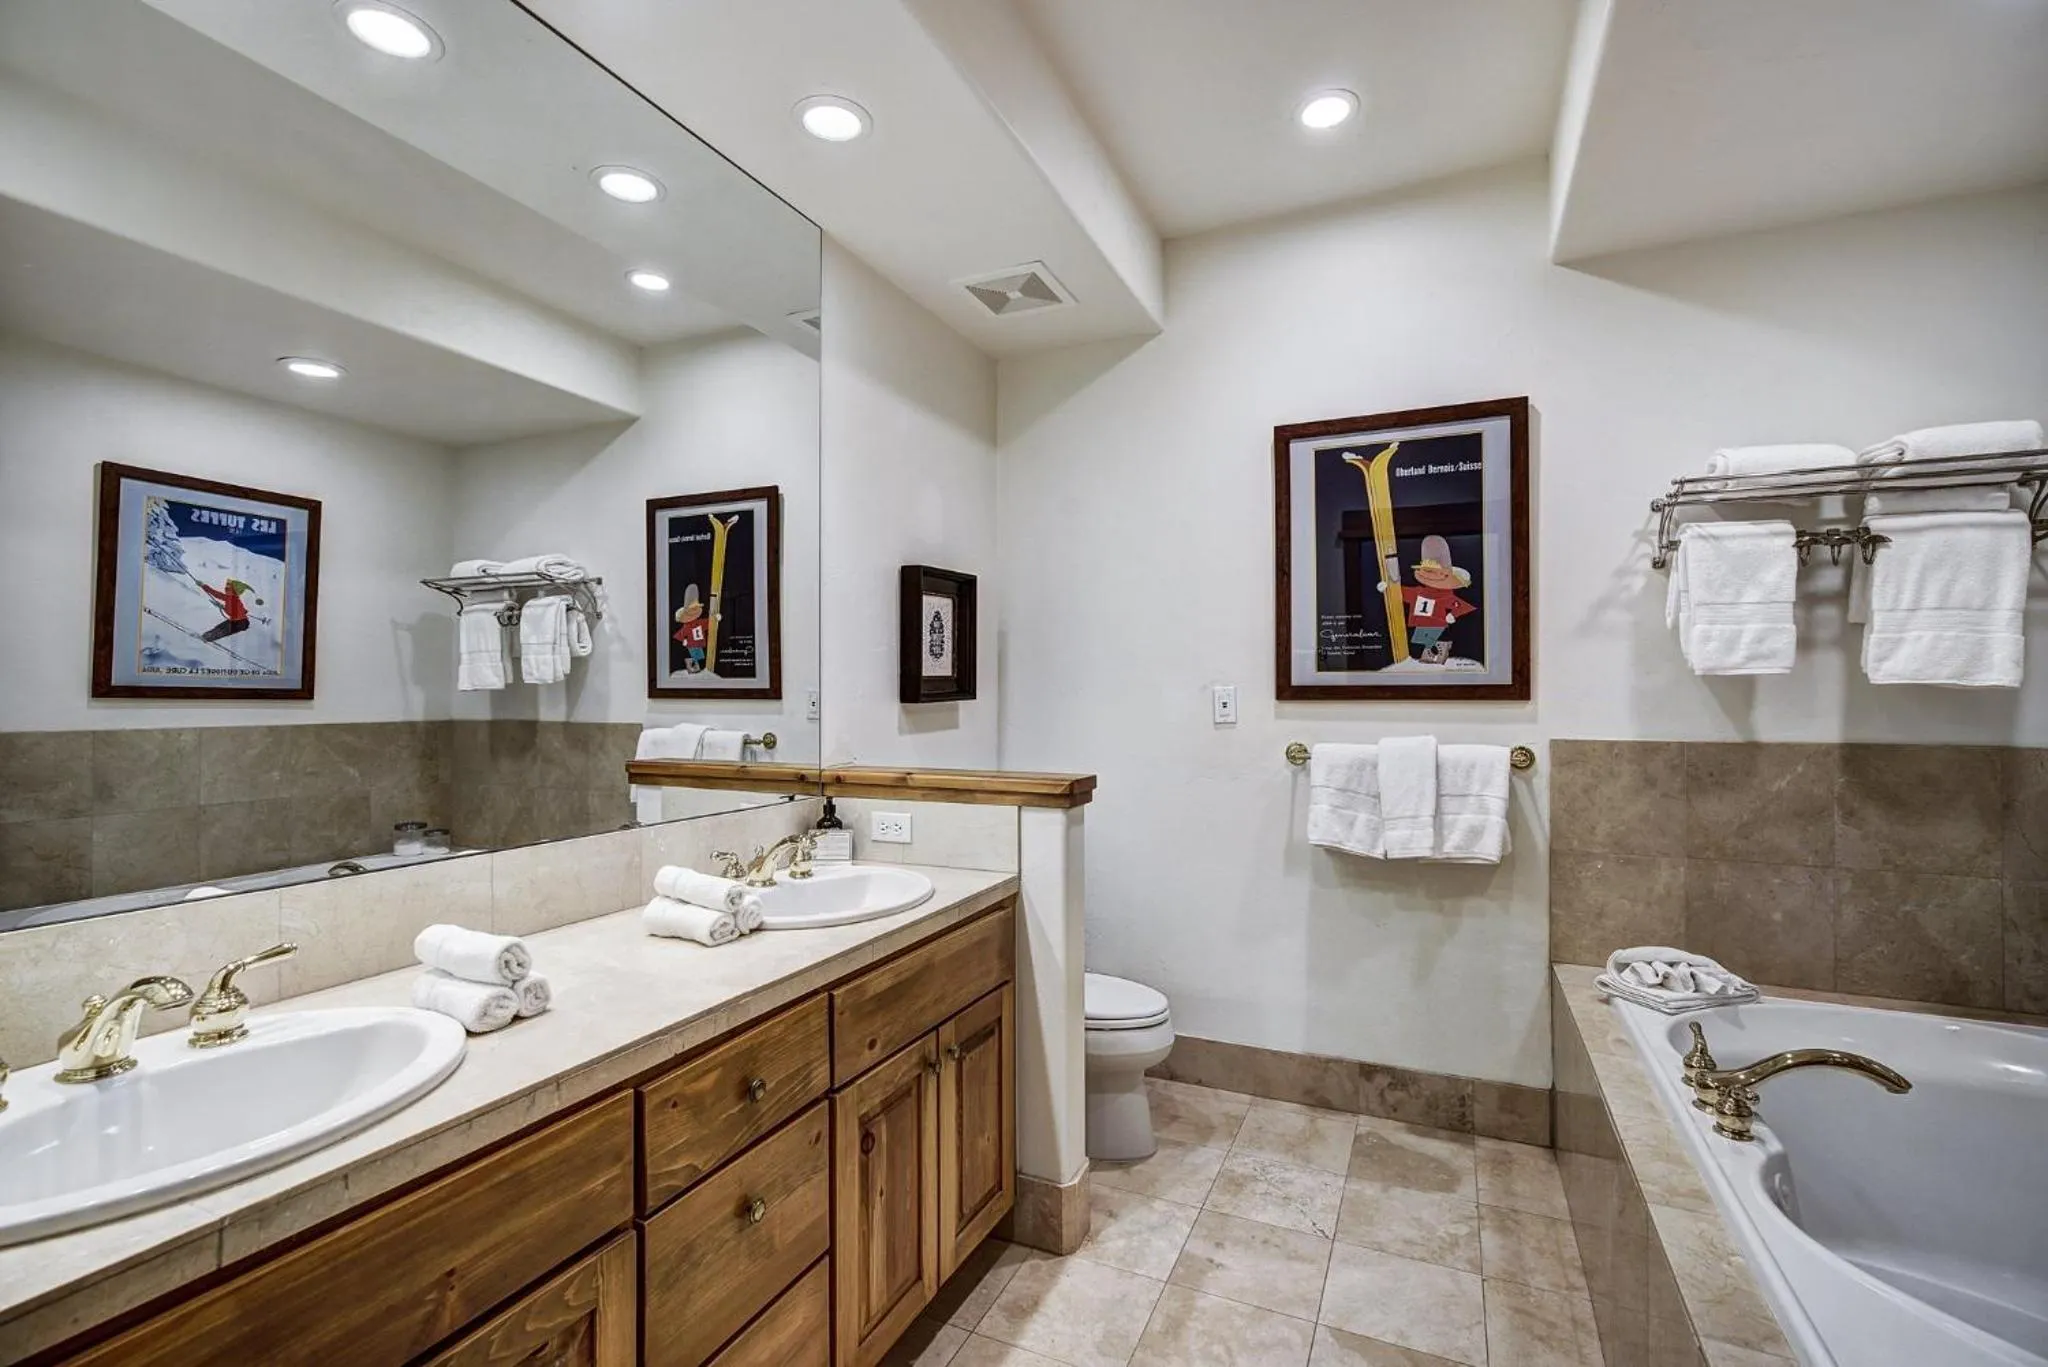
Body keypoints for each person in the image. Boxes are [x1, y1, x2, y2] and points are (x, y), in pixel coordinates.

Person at [1380, 535, 1477, 664]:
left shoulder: (1446, 595)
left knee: (1430, 636)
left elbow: (1461, 605)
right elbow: (1403, 593)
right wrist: (1388, 588)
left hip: (1437, 622)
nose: (1432, 577)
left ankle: (1441, 647)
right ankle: (1429, 653)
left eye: (1434, 572)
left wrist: (1453, 614)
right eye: (1428, 572)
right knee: (1422, 638)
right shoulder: (1419, 592)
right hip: (1422, 621)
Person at [199, 578, 256, 643]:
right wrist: (203, 586)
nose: (226, 589)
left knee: (222, 630)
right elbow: (218, 595)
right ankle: (206, 637)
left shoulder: (232, 599)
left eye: (229, 588)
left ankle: (206, 638)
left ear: (234, 590)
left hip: (240, 623)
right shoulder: (232, 598)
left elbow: (217, 595)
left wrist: (203, 586)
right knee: (220, 628)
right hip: (238, 621)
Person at [673, 585, 709, 672]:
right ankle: (692, 668)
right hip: (691, 644)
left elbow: (708, 622)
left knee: (699, 656)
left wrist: (715, 618)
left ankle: (695, 668)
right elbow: (681, 633)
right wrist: (684, 639)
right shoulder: (686, 626)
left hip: (699, 643)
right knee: (695, 656)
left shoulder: (699, 622)